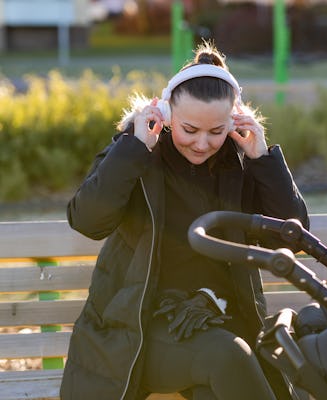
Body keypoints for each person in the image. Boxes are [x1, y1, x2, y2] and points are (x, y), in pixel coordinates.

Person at [60, 41, 309, 400]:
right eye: (189, 130)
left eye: (216, 131)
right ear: (165, 113)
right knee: (227, 355)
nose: (202, 143)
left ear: (234, 120)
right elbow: (87, 221)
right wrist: (131, 148)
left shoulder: (240, 163)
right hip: (140, 330)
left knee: (220, 375)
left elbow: (290, 240)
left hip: (219, 322)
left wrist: (262, 159)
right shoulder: (137, 153)